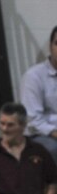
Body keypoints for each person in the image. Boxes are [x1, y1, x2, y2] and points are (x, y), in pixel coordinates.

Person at [20, 25, 57, 157]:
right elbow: (33, 121)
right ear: (50, 46)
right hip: (41, 135)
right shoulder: (34, 76)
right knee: (53, 149)